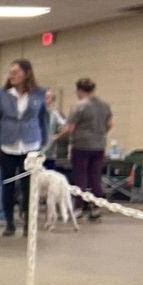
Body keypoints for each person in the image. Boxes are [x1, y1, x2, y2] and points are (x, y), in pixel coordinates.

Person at [0, 59, 50, 236]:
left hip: (31, 144)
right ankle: (9, 222)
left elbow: (44, 119)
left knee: (28, 187)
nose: (12, 75)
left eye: (16, 72)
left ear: (27, 73)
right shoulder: (2, 94)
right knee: (7, 185)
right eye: (10, 72)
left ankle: (28, 222)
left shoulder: (39, 94)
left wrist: (44, 144)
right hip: (7, 145)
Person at [62, 78, 113, 221]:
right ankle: (96, 208)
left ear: (79, 90)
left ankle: (78, 208)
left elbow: (69, 129)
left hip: (81, 146)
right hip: (99, 146)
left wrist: (57, 136)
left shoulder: (78, 106)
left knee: (81, 177)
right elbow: (110, 124)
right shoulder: (104, 105)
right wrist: (99, 134)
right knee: (95, 178)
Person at [43, 88, 70, 172]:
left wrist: (57, 136)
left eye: (48, 97)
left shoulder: (55, 114)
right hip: (34, 155)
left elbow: (66, 127)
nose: (45, 100)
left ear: (52, 100)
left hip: (49, 155)